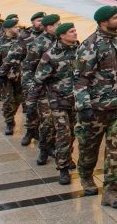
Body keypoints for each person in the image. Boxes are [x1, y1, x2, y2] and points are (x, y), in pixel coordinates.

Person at [75, 5, 117, 208]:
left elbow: (116, 68)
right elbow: (80, 79)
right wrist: (84, 106)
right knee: (89, 149)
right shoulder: (90, 46)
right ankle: (86, 175)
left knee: (115, 151)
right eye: (116, 17)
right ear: (104, 21)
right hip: (96, 110)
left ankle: (110, 191)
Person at [33, 22, 80, 185]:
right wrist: (32, 100)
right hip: (56, 102)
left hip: (75, 101)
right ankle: (63, 167)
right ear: (62, 35)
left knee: (73, 132)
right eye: (71, 32)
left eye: (75, 31)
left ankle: (65, 156)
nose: (75, 34)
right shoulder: (50, 55)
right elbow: (38, 78)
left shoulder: (79, 51)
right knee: (62, 134)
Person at [2, 11, 45, 146]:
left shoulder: (51, 36)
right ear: (32, 22)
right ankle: (29, 131)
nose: (41, 23)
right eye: (39, 20)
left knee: (43, 109)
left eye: (43, 20)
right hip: (27, 77)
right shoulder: (25, 36)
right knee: (29, 106)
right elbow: (13, 56)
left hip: (45, 77)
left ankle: (42, 137)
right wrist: (1, 74)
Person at [24, 13, 61, 163]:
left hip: (60, 89)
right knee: (46, 122)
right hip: (44, 90)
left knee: (59, 123)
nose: (60, 26)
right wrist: (30, 90)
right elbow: (28, 67)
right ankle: (44, 149)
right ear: (50, 27)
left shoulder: (62, 40)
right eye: (58, 24)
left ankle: (54, 147)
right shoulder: (38, 43)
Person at [0, 17, 24, 136]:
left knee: (19, 98)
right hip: (6, 76)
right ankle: (9, 122)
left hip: (20, 75)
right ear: (8, 29)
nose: (17, 28)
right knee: (8, 99)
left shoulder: (22, 41)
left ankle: (10, 115)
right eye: (15, 27)